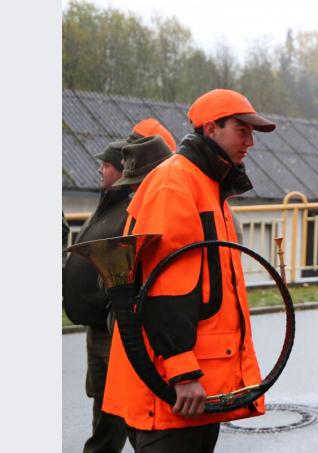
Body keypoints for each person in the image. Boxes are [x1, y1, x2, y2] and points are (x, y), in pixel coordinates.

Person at [102, 89, 276, 452]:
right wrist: (182, 371)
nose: (250, 142)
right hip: (172, 391)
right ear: (212, 129)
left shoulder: (205, 184)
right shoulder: (177, 183)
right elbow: (166, 285)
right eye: (242, 130)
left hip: (186, 392)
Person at [63, 119, 175, 453]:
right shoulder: (110, 200)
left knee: (124, 412)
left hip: (117, 325)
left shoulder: (136, 204)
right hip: (99, 325)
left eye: (107, 165)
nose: (101, 169)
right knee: (105, 407)